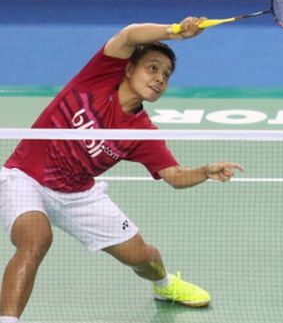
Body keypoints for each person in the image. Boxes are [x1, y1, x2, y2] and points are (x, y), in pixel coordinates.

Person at [0, 17, 244, 323]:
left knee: (142, 257)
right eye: (152, 68)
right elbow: (128, 35)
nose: (159, 79)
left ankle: (165, 285)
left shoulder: (142, 132)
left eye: (166, 75)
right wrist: (174, 32)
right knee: (36, 239)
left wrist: (205, 171)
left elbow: (175, 177)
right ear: (128, 69)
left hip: (78, 195)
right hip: (26, 177)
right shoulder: (97, 79)